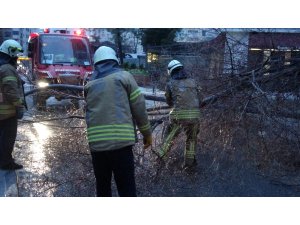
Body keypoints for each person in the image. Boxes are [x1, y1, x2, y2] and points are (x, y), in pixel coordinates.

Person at [84, 46, 152, 197]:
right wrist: (147, 133)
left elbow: (88, 115)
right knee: (126, 189)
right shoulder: (124, 77)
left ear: (96, 64)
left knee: (103, 189)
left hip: (97, 147)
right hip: (121, 145)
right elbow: (139, 106)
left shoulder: (88, 85)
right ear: (114, 61)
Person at [158, 60, 201, 168]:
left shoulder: (170, 83)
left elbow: (169, 102)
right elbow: (201, 99)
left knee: (169, 137)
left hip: (178, 116)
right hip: (195, 116)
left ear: (171, 71)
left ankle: (160, 158)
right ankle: (189, 165)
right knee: (191, 140)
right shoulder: (193, 82)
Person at [0, 39, 25, 170]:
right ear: (10, 53)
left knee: (3, 137)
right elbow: (10, 90)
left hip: (2, 111)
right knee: (7, 139)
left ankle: (4, 159)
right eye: (15, 54)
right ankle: (6, 163)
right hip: (7, 112)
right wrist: (19, 105)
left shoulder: (2, 67)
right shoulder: (7, 69)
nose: (17, 57)